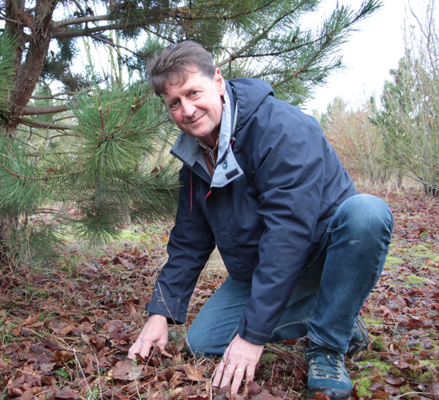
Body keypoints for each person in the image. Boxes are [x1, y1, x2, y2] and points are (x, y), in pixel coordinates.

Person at [127, 41, 393, 400]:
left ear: (218, 81)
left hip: (319, 254)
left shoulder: (281, 128)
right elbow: (189, 242)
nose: (187, 110)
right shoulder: (194, 156)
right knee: (203, 343)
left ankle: (328, 345)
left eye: (193, 92)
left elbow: (288, 235)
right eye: (174, 103)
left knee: (368, 212)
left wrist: (252, 337)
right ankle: (338, 314)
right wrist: (161, 312)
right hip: (257, 270)